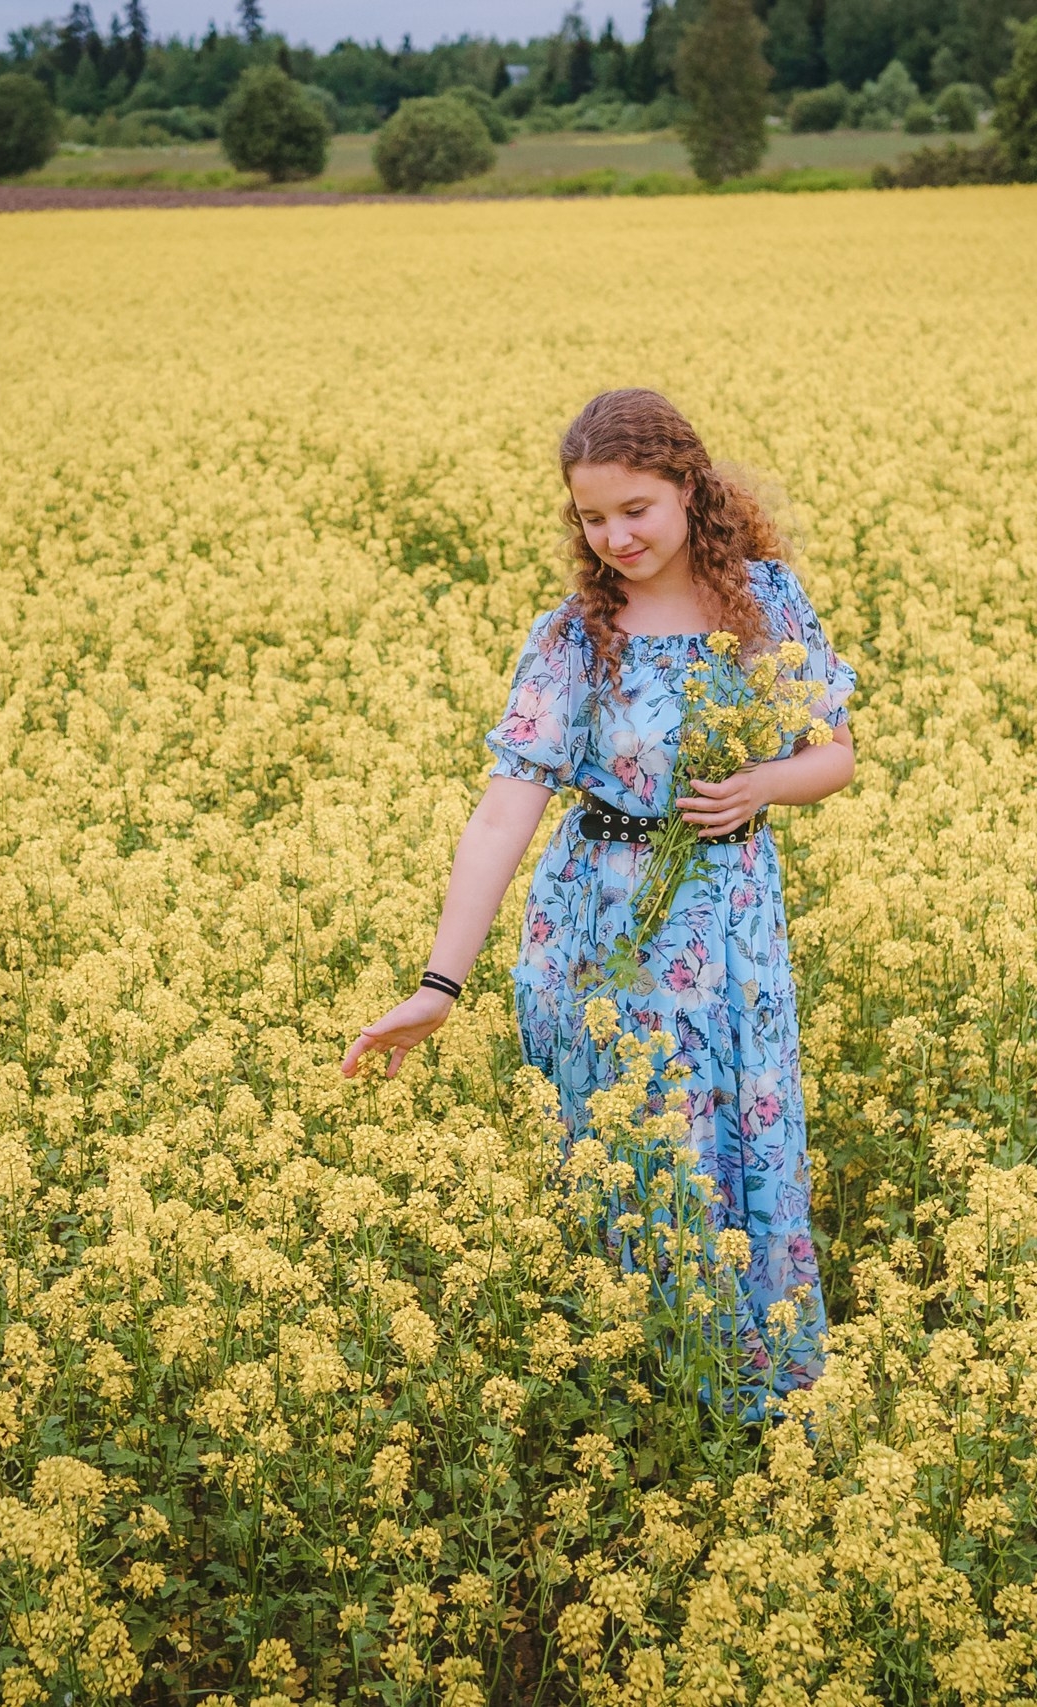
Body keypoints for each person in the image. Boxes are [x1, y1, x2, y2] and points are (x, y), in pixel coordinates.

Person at [339, 387, 859, 1421]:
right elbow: (503, 815)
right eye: (591, 517)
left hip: (730, 923)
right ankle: (643, 1394)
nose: (614, 537)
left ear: (688, 490)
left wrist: (761, 785)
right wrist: (439, 985)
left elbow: (833, 754)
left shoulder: (766, 601)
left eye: (635, 509)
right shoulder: (575, 638)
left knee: (730, 1143)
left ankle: (751, 1395)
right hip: (599, 933)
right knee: (633, 1160)